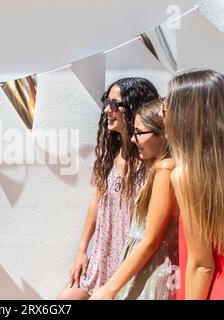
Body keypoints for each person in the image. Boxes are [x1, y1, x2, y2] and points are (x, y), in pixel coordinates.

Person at [57, 78, 159, 299]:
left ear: (133, 107)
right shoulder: (111, 153)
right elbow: (97, 201)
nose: (107, 110)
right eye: (106, 102)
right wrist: (82, 250)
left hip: (132, 260)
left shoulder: (152, 160)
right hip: (103, 257)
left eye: (114, 104)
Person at [164, 70, 224, 300]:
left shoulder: (186, 176)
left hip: (223, 288)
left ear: (185, 116)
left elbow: (202, 265)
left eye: (168, 106)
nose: (165, 115)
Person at [90, 98, 179, 300]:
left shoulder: (164, 170)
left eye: (139, 133)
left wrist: (109, 289)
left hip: (153, 275)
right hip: (142, 270)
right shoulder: (155, 168)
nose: (132, 139)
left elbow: (150, 241)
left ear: (164, 134)